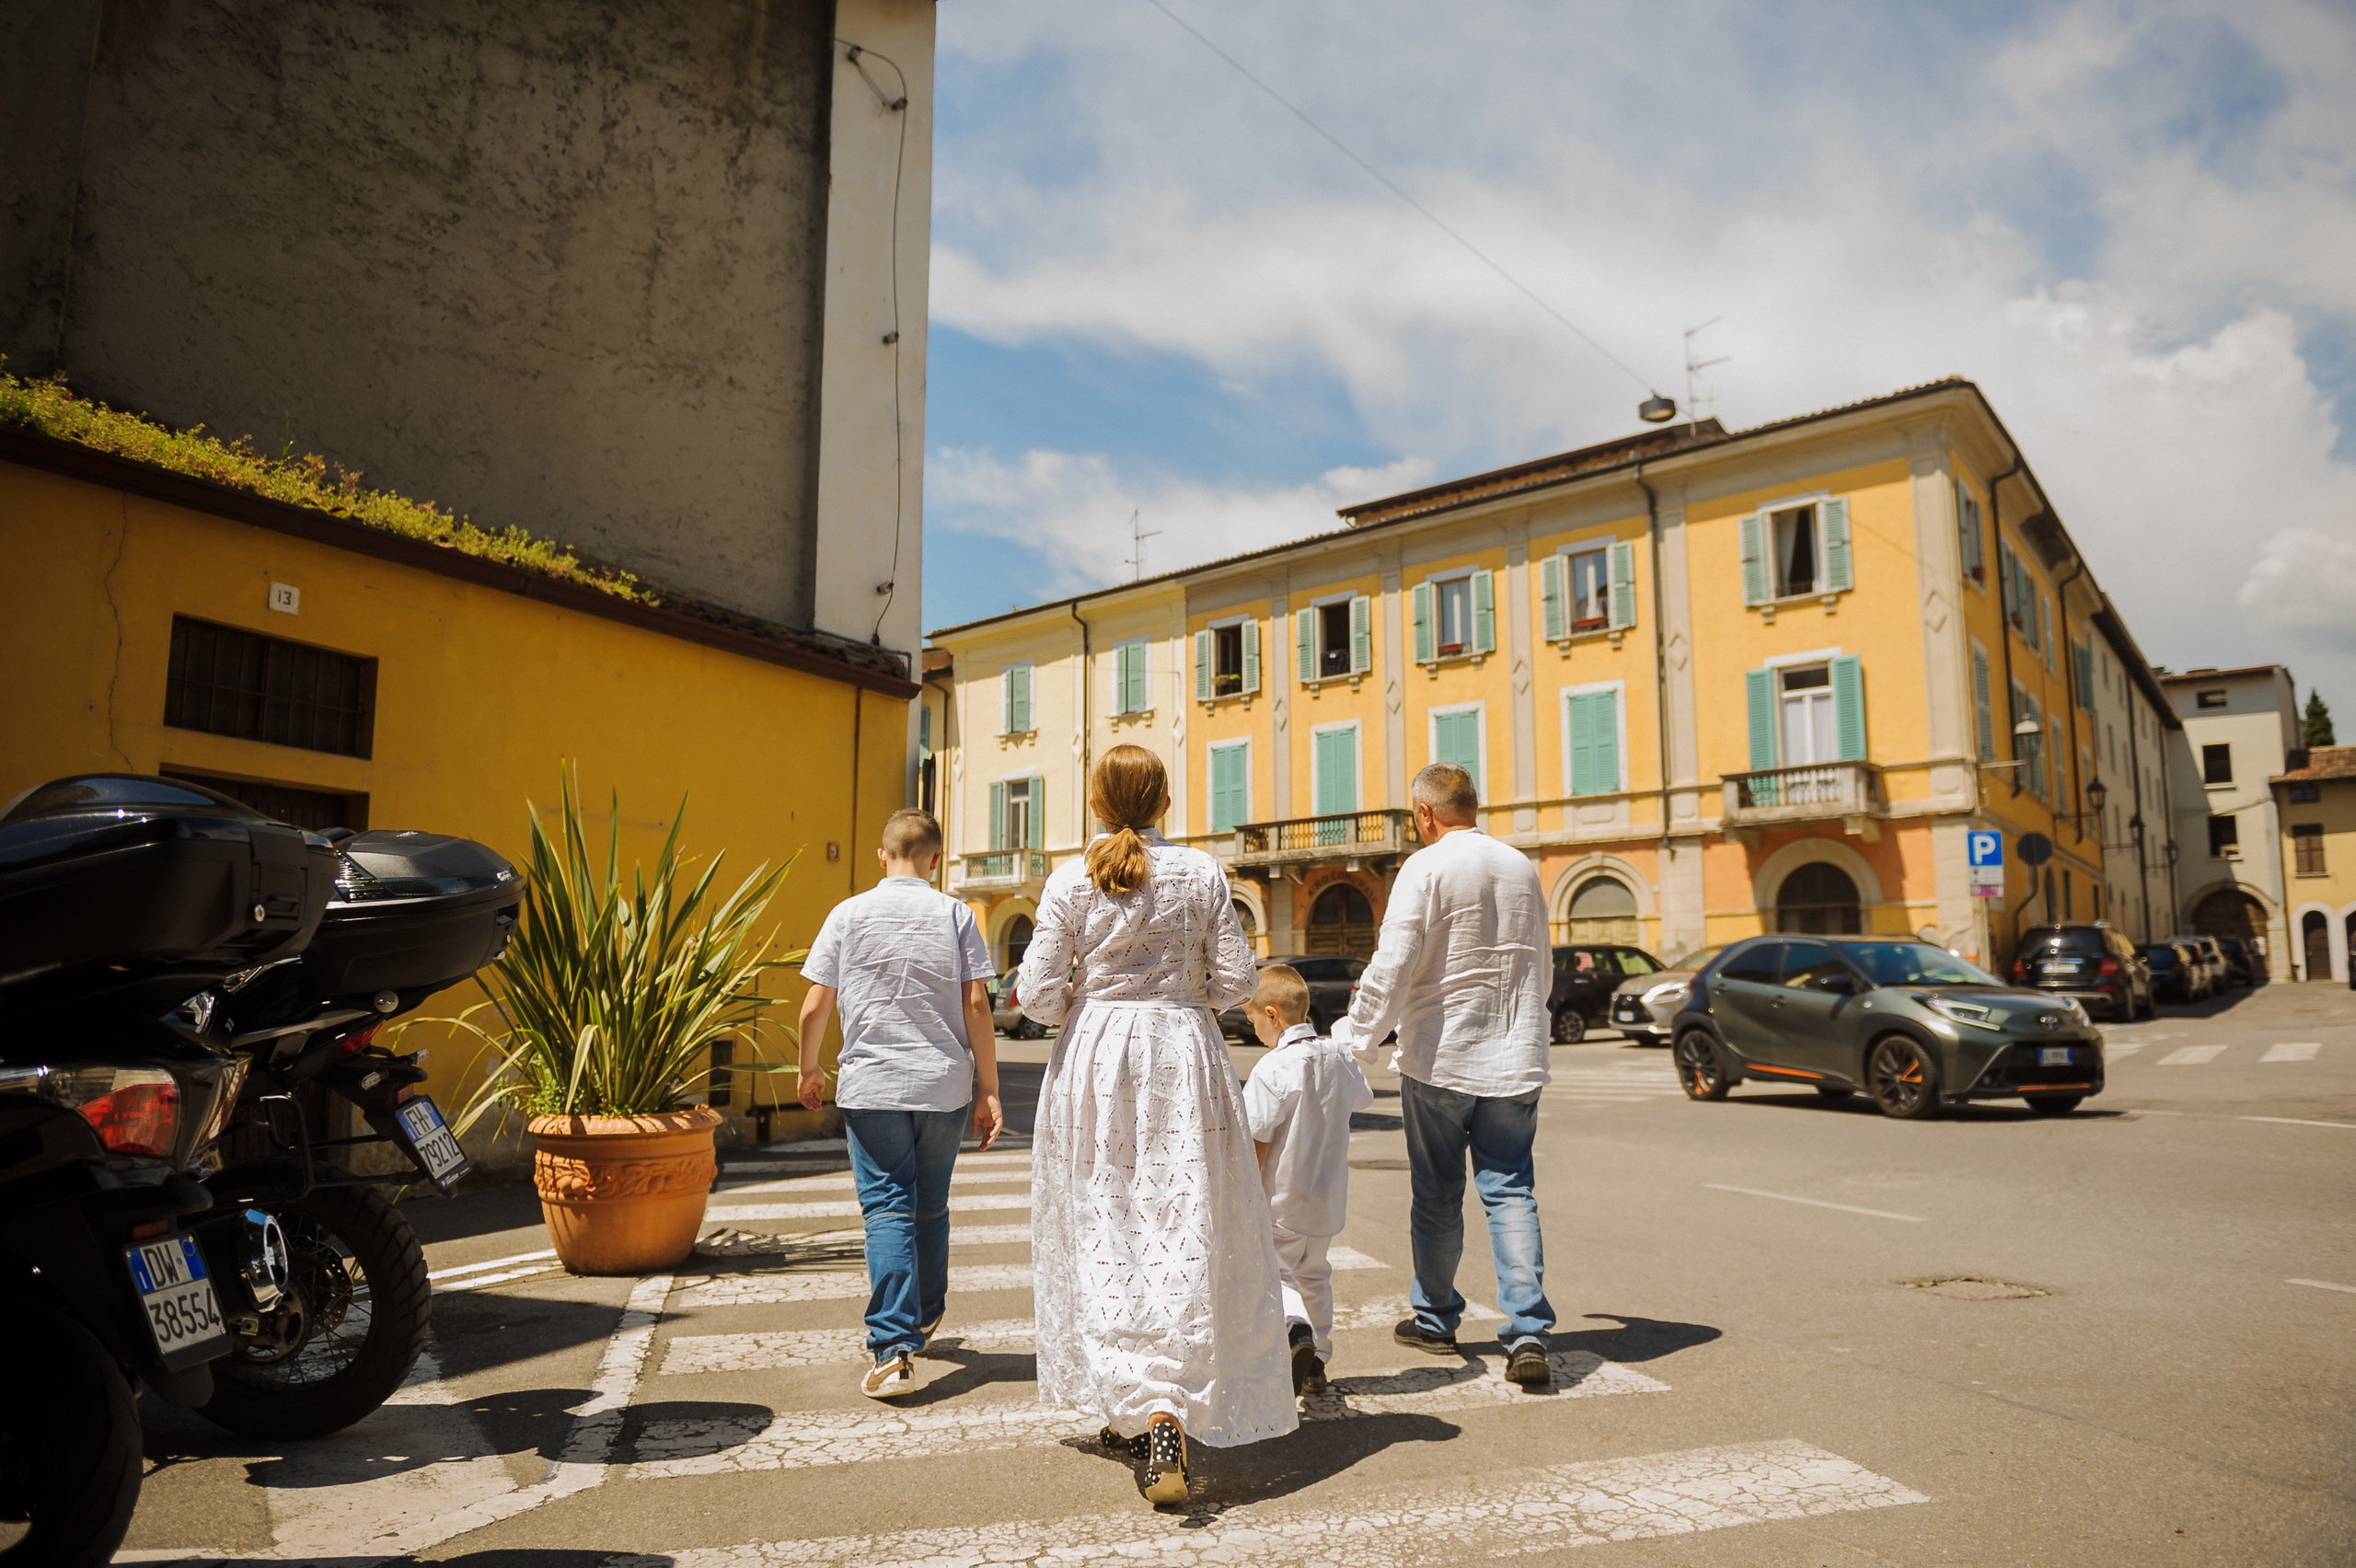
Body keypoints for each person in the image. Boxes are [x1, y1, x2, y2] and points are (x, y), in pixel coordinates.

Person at [1016, 744, 1295, 1505]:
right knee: (1181, 1227)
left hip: (1098, 1060)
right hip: (1181, 1055)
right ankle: (1168, 1403)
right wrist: (1178, 989)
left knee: (1107, 1229)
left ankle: (1138, 1405)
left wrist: (1095, 996)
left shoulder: (1071, 876)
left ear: (1099, 803)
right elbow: (1239, 981)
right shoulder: (1203, 872)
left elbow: (1038, 996)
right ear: (1164, 801)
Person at [1331, 762, 1556, 1388]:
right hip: (1515, 1057)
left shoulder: (1423, 868)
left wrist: (1355, 1039)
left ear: (1425, 814)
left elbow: (1392, 964)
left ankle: (1435, 1318)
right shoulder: (1520, 866)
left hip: (1441, 1057)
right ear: (1472, 806)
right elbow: (1543, 963)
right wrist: (1529, 1029)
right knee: (1510, 1188)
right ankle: (1528, 1331)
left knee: (1436, 1193)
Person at [797, 807, 1005, 1400]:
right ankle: (925, 1312)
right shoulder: (956, 914)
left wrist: (809, 1069)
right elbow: (977, 1006)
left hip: (873, 1085)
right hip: (943, 1085)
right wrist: (988, 1089)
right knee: (930, 1204)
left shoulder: (849, 913)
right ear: (935, 860)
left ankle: (893, 1347)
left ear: (882, 856)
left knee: (888, 1206)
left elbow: (815, 1005)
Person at [1242, 963, 1373, 1395]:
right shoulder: (1337, 1056)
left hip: (1280, 1197)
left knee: (1276, 1275)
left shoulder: (1271, 1068)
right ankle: (1318, 1361)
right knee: (1316, 1275)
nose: (1254, 1028)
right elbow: (1362, 1099)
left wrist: (1244, 1191)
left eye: (1253, 1019)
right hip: (1327, 1194)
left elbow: (1256, 1137)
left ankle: (1297, 1333)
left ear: (1274, 1014)